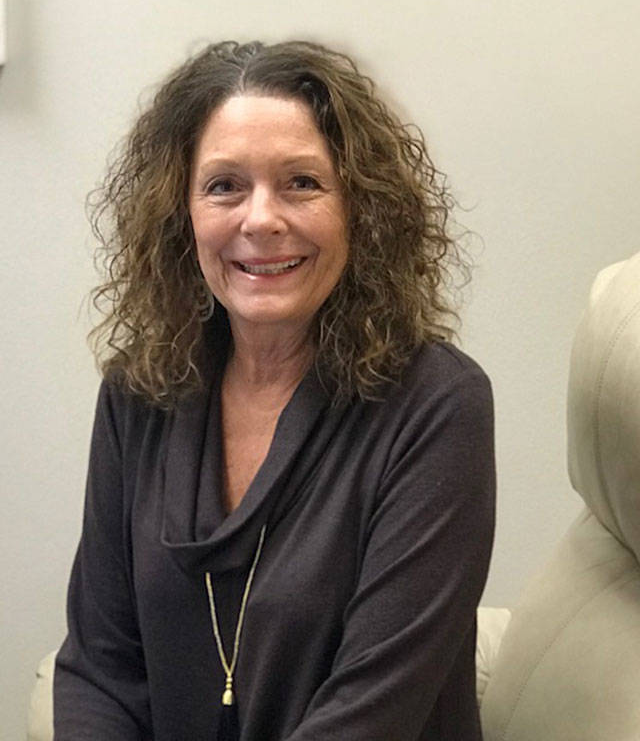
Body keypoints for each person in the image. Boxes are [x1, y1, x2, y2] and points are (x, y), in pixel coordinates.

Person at [54, 40, 495, 741]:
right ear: (181, 214)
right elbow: (100, 669)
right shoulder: (139, 394)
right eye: (224, 186)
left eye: (302, 183)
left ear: (360, 209)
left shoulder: (437, 405)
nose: (261, 219)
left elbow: (371, 712)